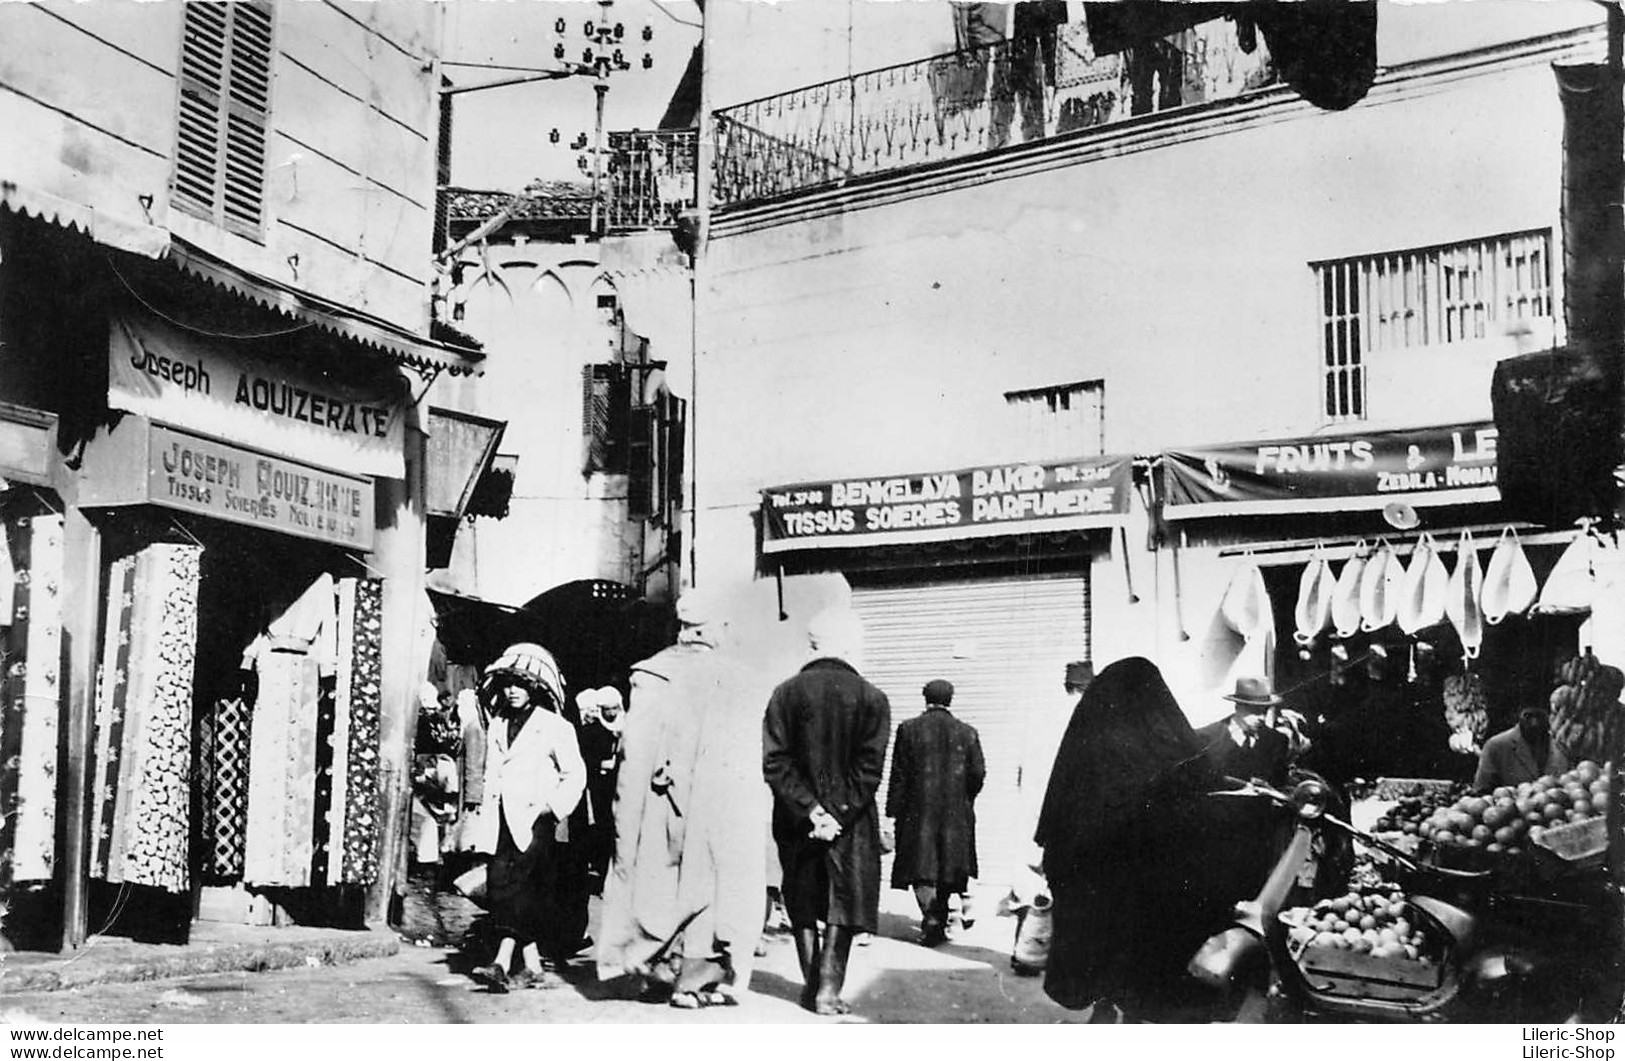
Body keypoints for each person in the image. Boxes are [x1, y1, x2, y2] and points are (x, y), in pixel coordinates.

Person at [1035, 657, 1236, 1022]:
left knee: (1103, 935)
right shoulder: (1164, 739)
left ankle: (1103, 1001)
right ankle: (1132, 1006)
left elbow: (1061, 802)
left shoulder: (1087, 739)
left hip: (1096, 867)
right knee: (1139, 941)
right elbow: (1199, 779)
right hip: (1147, 870)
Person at [595, 590, 770, 1010]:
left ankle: (658, 968)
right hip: (716, 803)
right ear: (714, 630)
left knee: (657, 881)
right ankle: (693, 980)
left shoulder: (651, 674)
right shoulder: (738, 678)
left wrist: (627, 815)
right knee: (709, 886)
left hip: (659, 799)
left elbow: (634, 752)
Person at [762, 607, 892, 1016]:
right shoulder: (873, 697)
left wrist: (810, 810)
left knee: (800, 896)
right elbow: (869, 769)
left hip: (795, 817)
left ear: (813, 644)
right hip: (851, 822)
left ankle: (810, 983)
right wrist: (835, 813)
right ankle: (829, 990)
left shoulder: (784, 693)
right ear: (851, 644)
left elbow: (775, 762)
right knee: (845, 900)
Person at [466, 643, 586, 993]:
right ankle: (532, 965)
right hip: (502, 819)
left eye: (520, 684)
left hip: (536, 820)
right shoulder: (499, 724)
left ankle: (501, 962)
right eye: (507, 684)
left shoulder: (554, 727)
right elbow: (491, 772)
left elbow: (575, 774)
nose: (512, 691)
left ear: (535, 687)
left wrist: (553, 806)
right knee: (502, 887)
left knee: (517, 889)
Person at [885, 678, 985, 946]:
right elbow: (978, 773)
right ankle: (937, 920)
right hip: (956, 815)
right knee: (949, 867)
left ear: (925, 698)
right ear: (950, 699)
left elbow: (899, 775)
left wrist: (893, 812)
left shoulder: (908, 729)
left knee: (921, 867)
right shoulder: (968, 732)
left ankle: (932, 918)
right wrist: (964, 799)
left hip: (917, 813)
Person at [1196, 675, 1292, 788]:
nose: (1261, 717)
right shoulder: (1207, 737)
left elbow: (1279, 785)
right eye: (1255, 710)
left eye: (1265, 711)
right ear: (1238, 706)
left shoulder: (1277, 741)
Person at [1475, 703, 1570, 792]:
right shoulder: (1496, 746)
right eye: (1528, 716)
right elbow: (1482, 791)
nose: (1534, 721)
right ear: (1519, 714)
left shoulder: (1562, 746)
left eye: (1539, 716)